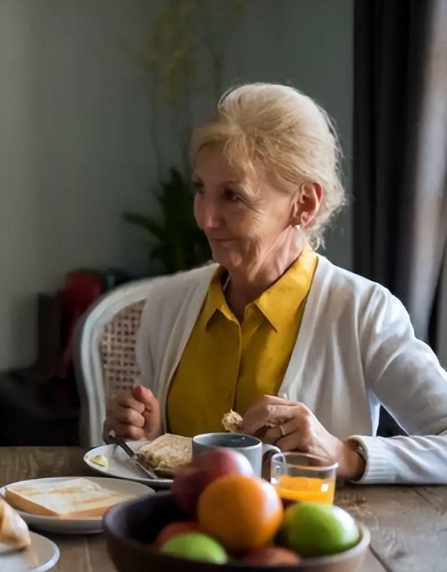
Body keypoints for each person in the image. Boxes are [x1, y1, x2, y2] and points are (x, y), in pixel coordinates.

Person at [104, 83, 447, 484]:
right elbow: (161, 459)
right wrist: (143, 438)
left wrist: (344, 454)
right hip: (177, 541)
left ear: (304, 203)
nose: (205, 218)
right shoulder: (168, 304)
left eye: (233, 196)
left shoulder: (364, 312)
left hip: (305, 543)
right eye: (201, 190)